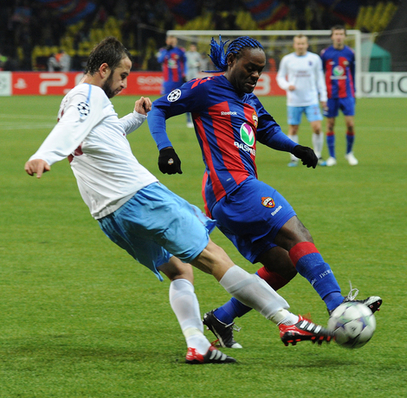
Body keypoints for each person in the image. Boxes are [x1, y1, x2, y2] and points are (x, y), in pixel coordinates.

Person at [24, 37, 335, 365]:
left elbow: (99, 134)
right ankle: (288, 320)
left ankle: (197, 344)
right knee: (215, 257)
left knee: (179, 270)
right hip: (139, 196)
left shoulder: (72, 99)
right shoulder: (90, 95)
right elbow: (72, 127)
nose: (124, 83)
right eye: (122, 75)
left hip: (108, 215)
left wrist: (135, 117)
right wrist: (45, 155)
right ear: (104, 69)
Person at [148, 36, 381, 349]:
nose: (255, 75)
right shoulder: (205, 88)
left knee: (283, 265)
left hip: (230, 195)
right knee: (297, 234)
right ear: (231, 62)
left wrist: (296, 148)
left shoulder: (249, 99)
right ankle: (338, 306)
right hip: (233, 187)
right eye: (250, 68)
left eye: (260, 69)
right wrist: (165, 148)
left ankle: (222, 317)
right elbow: (159, 108)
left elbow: (267, 130)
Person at [276, 34, 327, 167]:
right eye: (298, 43)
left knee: (317, 128)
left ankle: (318, 155)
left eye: (303, 43)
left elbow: (320, 78)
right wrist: (287, 85)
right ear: (294, 45)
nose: (300, 46)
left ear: (307, 44)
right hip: (294, 100)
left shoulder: (314, 59)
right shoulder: (287, 59)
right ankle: (294, 158)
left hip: (311, 99)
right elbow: (280, 77)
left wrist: (323, 97)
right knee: (293, 129)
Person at [320, 25, 358, 166]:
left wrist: (354, 92)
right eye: (336, 34)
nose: (339, 36)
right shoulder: (325, 53)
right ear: (332, 36)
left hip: (347, 94)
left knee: (350, 124)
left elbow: (352, 73)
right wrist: (322, 94)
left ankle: (349, 153)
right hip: (330, 95)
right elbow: (320, 73)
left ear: (345, 36)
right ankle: (332, 157)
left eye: (341, 34)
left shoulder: (350, 53)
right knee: (330, 125)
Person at [157, 35, 192, 127]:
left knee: (186, 97)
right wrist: (166, 50)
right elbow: (159, 60)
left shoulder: (180, 51)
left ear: (176, 41)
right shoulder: (163, 51)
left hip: (179, 78)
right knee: (164, 99)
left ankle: (189, 120)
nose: (172, 43)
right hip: (168, 79)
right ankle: (161, 119)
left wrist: (185, 74)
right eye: (170, 41)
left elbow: (185, 62)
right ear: (167, 41)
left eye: (173, 41)